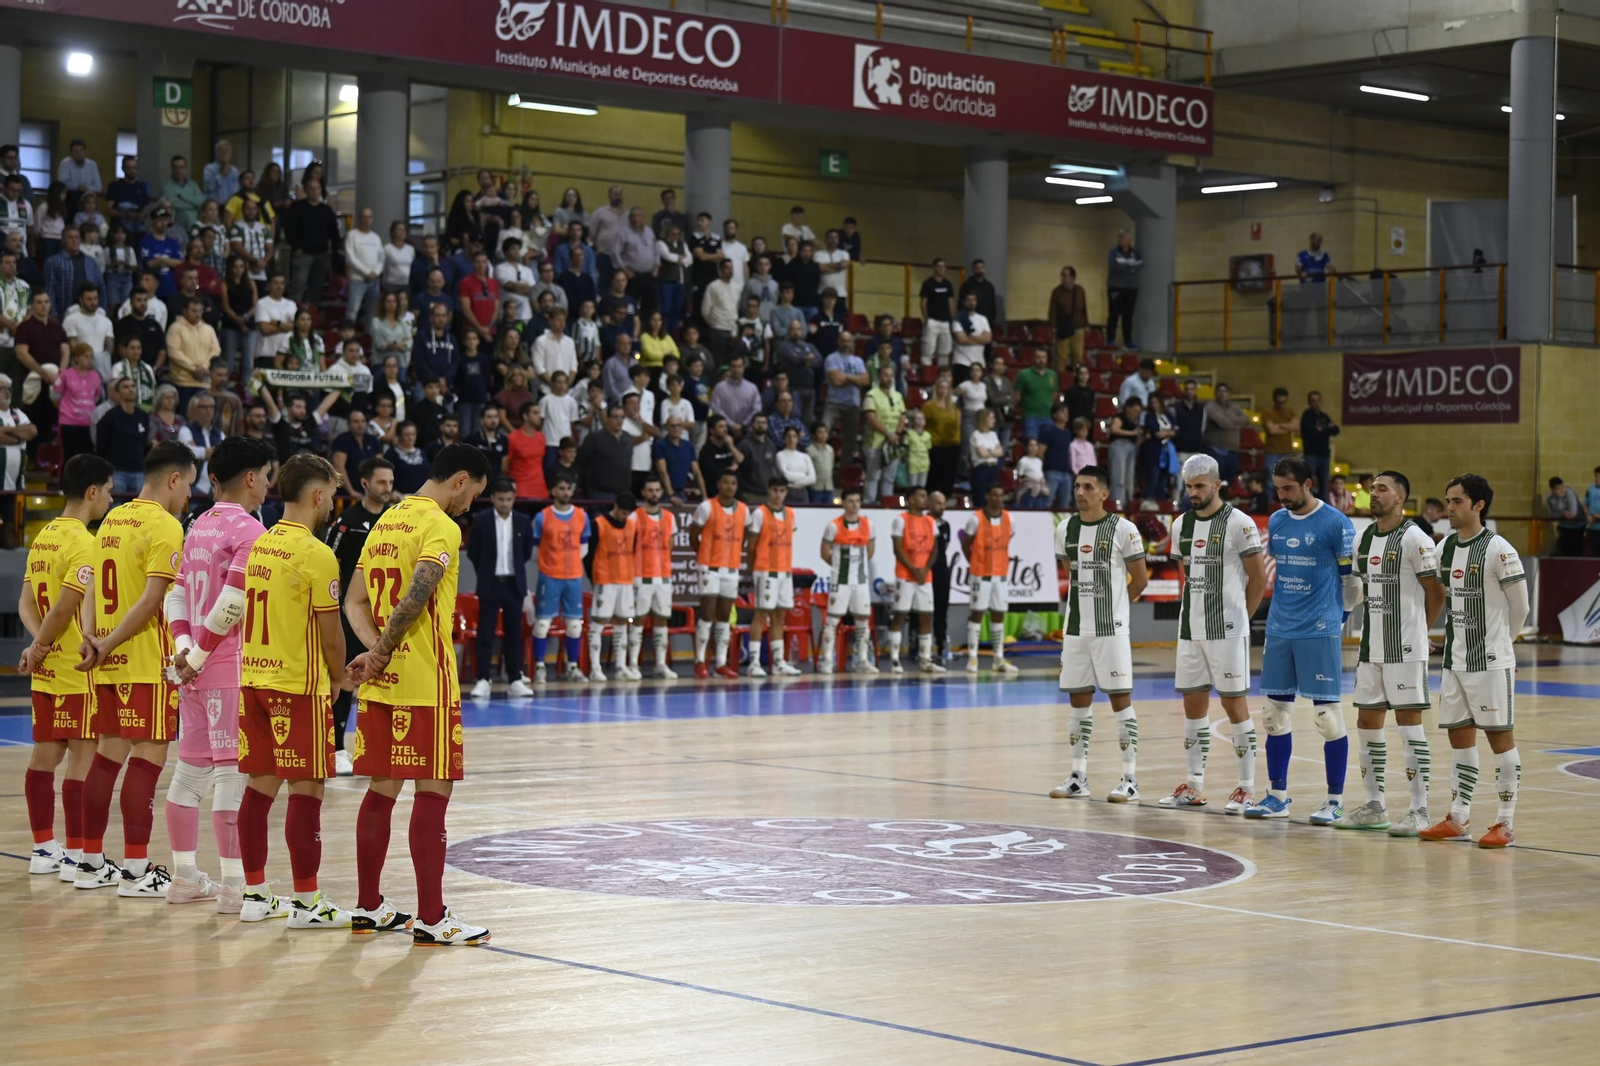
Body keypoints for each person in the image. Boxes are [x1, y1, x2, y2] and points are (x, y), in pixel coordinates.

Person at [341, 444, 493, 944]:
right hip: (425, 682)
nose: (470, 505)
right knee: (432, 791)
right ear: (460, 479)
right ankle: (432, 917)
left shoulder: (386, 520)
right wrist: (384, 650)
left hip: (382, 681)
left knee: (381, 791)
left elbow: (354, 600)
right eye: (473, 493)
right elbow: (418, 594)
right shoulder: (440, 526)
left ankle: (368, 906)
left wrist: (373, 653)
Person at [182, 449, 322, 924]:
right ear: (249, 478)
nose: (269, 485)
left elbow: (178, 592)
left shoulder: (197, 524)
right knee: (228, 779)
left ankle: (185, 876)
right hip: (224, 665)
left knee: (187, 774)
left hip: (191, 667)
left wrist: (184, 650)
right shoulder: (249, 529)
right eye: (265, 476)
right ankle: (236, 888)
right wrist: (200, 655)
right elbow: (231, 603)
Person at [69, 441, 196, 895]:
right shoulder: (165, 525)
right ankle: (138, 871)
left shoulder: (110, 520)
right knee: (146, 758)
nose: (188, 499)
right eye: (189, 487)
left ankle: (88, 861)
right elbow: (150, 602)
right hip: (144, 660)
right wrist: (107, 642)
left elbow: (86, 589)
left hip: (107, 658)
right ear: (174, 478)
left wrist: (93, 639)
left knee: (107, 757)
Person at [1241, 457, 1357, 823]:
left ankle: (1334, 801)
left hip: (1319, 628)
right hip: (1280, 628)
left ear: (1308, 483)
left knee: (1328, 718)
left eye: (1288, 488)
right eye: (1277, 488)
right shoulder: (1276, 521)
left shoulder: (1336, 524)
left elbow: (1351, 582)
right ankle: (1277, 796)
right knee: (1274, 717)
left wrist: (1340, 620)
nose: (1281, 496)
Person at [17, 454, 116, 879]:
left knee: (45, 755)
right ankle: (77, 854)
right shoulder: (84, 542)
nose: (111, 500)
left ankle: (43, 848)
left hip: (48, 668)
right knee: (83, 759)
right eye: (109, 491)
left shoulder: (44, 536)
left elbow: (26, 602)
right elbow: (65, 608)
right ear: (92, 492)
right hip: (77, 667)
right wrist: (42, 645)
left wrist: (37, 647)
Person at [1331, 471, 1446, 834]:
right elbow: (1358, 590)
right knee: (1367, 724)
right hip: (1371, 648)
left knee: (1410, 728)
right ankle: (1375, 805)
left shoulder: (1415, 538)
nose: (1373, 494)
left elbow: (1436, 592)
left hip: (1406, 649)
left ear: (1401, 497)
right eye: (1372, 488)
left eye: (1382, 489)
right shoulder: (1363, 539)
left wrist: (1419, 632)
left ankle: (1419, 809)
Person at [1418, 474, 1528, 849]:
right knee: (1459, 739)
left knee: (1500, 739)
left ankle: (1505, 822)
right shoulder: (1445, 547)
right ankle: (1459, 816)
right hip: (1454, 661)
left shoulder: (1500, 549)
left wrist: (1502, 645)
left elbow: (1522, 606)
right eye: (1448, 501)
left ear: (1478, 505)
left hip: (1491, 662)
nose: (1449, 508)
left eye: (1457, 501)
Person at [1157, 454, 1268, 813]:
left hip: (1227, 630)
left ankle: (1247, 788)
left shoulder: (1240, 523)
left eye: (1200, 486)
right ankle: (1194, 785)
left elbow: (1259, 579)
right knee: (1192, 707)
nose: (1193, 492)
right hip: (1191, 629)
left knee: (1235, 706)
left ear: (1218, 484)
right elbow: (1187, 577)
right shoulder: (1180, 526)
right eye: (1188, 486)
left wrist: (1241, 622)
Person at [1047, 465, 1149, 803]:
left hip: (1111, 630)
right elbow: (1071, 574)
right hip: (1076, 629)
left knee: (1120, 702)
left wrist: (1116, 608)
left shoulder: (1123, 529)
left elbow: (1141, 580)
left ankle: (1130, 779)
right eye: (1077, 486)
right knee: (1078, 703)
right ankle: (1078, 777)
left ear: (1104, 493)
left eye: (1088, 487)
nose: (1080, 492)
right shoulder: (1065, 529)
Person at [322, 456, 394, 772]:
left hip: (387, 613)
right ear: (364, 483)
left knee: (385, 679)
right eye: (381, 482)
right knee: (348, 679)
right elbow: (328, 561)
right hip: (351, 614)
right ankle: (337, 748)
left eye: (391, 482)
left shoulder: (394, 521)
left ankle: (378, 747)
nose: (388, 488)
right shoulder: (346, 521)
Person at [465, 479, 535, 699]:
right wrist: (486, 573)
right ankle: (483, 679)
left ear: (514, 498)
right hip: (490, 584)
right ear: (493, 498)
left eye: (509, 499)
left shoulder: (523, 521)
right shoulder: (482, 520)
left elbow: (525, 553)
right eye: (501, 499)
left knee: (515, 634)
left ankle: (515, 678)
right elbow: (473, 552)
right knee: (486, 633)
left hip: (514, 583)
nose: (505, 503)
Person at [529, 475, 589, 684]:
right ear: (553, 491)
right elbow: (534, 551)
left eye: (568, 489)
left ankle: (572, 667)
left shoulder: (582, 516)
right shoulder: (541, 517)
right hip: (549, 577)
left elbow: (584, 547)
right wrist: (551, 564)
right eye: (561, 488)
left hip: (573, 577)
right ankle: (539, 667)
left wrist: (568, 563)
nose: (565, 492)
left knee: (575, 625)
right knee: (542, 624)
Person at [690, 471, 747, 679]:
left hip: (731, 568)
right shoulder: (707, 507)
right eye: (726, 482)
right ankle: (699, 660)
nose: (729, 486)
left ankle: (721, 662)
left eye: (733, 483)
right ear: (718, 484)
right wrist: (703, 555)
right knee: (707, 613)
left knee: (724, 615)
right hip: (709, 567)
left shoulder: (743, 510)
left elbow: (747, 535)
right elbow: (693, 535)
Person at [743, 478, 801, 677]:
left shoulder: (791, 514)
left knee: (779, 617)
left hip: (785, 570)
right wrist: (754, 569)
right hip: (765, 569)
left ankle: (778, 662)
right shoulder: (759, 513)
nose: (778, 494)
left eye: (782, 490)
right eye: (775, 490)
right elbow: (750, 546)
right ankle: (754, 662)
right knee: (761, 615)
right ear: (769, 491)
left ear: (786, 492)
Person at [961, 484, 1020, 676]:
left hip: (1001, 574)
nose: (998, 498)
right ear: (987, 496)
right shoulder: (976, 519)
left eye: (1001, 495)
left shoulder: (1009, 518)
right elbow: (965, 544)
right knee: (977, 612)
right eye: (994, 494)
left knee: (998, 613)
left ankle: (998, 658)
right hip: (981, 574)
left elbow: (1009, 539)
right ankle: (972, 657)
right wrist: (975, 564)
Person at [817, 487, 877, 675]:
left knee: (862, 619)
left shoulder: (868, 524)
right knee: (833, 620)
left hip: (860, 580)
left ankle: (861, 659)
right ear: (843, 503)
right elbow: (824, 552)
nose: (854, 505)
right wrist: (838, 566)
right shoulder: (833, 525)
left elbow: (870, 551)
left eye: (857, 501)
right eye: (850, 501)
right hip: (840, 580)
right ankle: (826, 660)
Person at [887, 486, 944, 674]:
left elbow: (935, 549)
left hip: (925, 576)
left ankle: (925, 659)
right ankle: (895, 659)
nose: (925, 499)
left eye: (926, 496)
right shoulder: (900, 520)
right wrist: (913, 569)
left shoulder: (930, 521)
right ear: (910, 500)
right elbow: (897, 549)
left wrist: (925, 569)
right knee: (900, 615)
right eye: (921, 496)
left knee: (926, 616)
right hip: (905, 576)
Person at [626, 477, 678, 680]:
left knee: (662, 620)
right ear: (644, 493)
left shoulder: (669, 517)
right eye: (650, 490)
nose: (654, 494)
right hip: (641, 576)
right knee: (637, 620)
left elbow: (670, 545)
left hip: (663, 576)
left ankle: (660, 664)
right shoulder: (635, 517)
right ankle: (632, 664)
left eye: (657, 490)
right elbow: (628, 544)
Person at [585, 491, 639, 682]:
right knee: (598, 623)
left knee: (622, 624)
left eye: (628, 513)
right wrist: (593, 578)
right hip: (605, 579)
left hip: (625, 580)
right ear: (615, 506)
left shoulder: (632, 525)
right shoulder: (599, 524)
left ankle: (621, 666)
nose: (626, 516)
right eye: (623, 512)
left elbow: (633, 550)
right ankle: (595, 667)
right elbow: (589, 555)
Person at [282, 178, 341, 304]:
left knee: (317, 288)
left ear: (321, 191)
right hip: (303, 254)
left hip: (322, 254)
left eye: (317, 188)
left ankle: (312, 317)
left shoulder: (326, 210)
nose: (315, 191)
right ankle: (293, 315)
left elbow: (334, 232)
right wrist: (296, 247)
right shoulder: (297, 208)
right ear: (306, 190)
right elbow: (289, 229)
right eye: (312, 188)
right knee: (298, 287)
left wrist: (333, 249)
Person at [95, 377, 149, 493]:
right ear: (118, 393)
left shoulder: (143, 416)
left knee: (139, 509)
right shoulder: (109, 417)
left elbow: (144, 443)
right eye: (125, 387)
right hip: (117, 471)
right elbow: (101, 445)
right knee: (116, 508)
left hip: (139, 471)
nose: (130, 389)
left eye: (133, 386)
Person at [343, 207, 383, 330]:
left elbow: (381, 258)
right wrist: (366, 272)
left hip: (374, 281)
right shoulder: (352, 235)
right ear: (359, 218)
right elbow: (350, 257)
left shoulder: (376, 237)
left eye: (369, 217)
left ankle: (368, 341)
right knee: (352, 311)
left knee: (372, 313)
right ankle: (348, 338)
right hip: (358, 280)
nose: (367, 220)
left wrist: (376, 272)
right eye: (364, 217)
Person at [922, 372, 961, 497]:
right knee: (934, 476)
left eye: (946, 388)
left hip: (952, 446)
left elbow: (958, 425)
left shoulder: (954, 408)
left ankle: (946, 499)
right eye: (940, 387)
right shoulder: (928, 406)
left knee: (948, 476)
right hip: (935, 446)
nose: (943, 390)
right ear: (936, 389)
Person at [1106, 231, 1143, 349]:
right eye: (1120, 238)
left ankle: (1128, 340)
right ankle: (1111, 339)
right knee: (1114, 314)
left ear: (1129, 240)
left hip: (1131, 288)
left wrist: (1126, 268)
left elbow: (1140, 264)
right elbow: (1115, 267)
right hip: (1116, 288)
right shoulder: (1113, 253)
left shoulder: (1135, 254)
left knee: (1128, 315)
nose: (1122, 240)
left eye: (1125, 238)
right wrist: (1129, 269)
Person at [1049, 266, 1088, 372]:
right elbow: (1053, 310)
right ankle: (1060, 381)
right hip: (1063, 328)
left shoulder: (1080, 290)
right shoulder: (1057, 292)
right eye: (1062, 276)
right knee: (1061, 358)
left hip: (1078, 328)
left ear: (1073, 277)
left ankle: (1076, 381)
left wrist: (1085, 324)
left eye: (1065, 276)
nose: (1063, 278)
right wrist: (1053, 326)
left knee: (1078, 357)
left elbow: (1084, 308)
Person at [1260, 387, 1296, 502]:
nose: (1281, 405)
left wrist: (1279, 425)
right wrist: (1287, 428)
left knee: (1289, 481)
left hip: (1287, 451)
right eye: (1279, 402)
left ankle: (1287, 505)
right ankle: (1268, 505)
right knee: (1271, 482)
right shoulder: (1267, 411)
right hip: (1272, 452)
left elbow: (1296, 426)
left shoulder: (1289, 410)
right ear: (1274, 400)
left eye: (1284, 402)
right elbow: (1271, 430)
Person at [918, 259, 955, 367]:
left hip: (945, 322)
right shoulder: (928, 283)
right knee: (928, 351)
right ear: (934, 268)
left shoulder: (948, 284)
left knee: (944, 352)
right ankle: (927, 373)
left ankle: (942, 377)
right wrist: (927, 318)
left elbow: (951, 301)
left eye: (943, 266)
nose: (941, 269)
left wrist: (951, 318)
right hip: (932, 321)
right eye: (938, 266)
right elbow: (923, 303)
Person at [1107, 396, 1143, 504]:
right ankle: (1117, 504)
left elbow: (1135, 441)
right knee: (1119, 477)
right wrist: (1132, 433)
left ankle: (1127, 503)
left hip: (1131, 448)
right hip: (1119, 446)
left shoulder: (1135, 422)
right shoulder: (1120, 417)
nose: (1136, 414)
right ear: (1128, 408)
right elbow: (1114, 429)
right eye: (1135, 411)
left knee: (1129, 480)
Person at [952, 290, 992, 373]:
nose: (971, 303)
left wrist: (969, 337)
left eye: (973, 300)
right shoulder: (958, 318)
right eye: (969, 300)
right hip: (962, 362)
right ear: (964, 302)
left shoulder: (983, 319)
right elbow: (961, 339)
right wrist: (981, 340)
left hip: (979, 363)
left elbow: (988, 339)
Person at [968, 408, 1004, 500]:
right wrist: (993, 451)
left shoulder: (993, 434)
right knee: (981, 498)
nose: (994, 421)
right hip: (981, 469)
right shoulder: (976, 434)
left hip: (993, 469)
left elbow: (1001, 452)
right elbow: (982, 454)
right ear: (984, 419)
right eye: (991, 418)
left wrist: (989, 451)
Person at [1548, 475, 1586, 556]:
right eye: (1558, 489)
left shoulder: (1570, 493)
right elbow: (1552, 515)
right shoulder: (1550, 498)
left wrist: (1559, 513)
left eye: (1562, 487)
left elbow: (1572, 514)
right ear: (1552, 490)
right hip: (1564, 526)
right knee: (1565, 550)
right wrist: (1563, 513)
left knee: (1576, 549)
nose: (1562, 490)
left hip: (1578, 525)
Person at [1586, 466, 1600, 557]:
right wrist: (1588, 515)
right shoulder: (1590, 489)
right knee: (1595, 553)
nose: (1597, 479)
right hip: (1593, 527)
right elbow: (1586, 504)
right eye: (1595, 476)